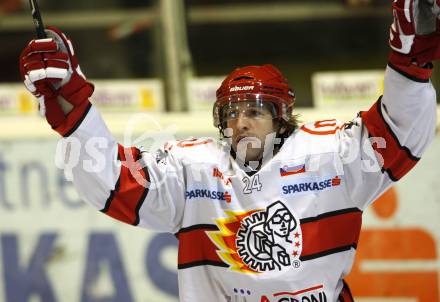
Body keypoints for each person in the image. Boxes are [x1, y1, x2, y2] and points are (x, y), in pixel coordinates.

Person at [18, 0, 439, 301]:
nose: (241, 121)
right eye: (232, 113)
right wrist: (72, 104)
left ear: (282, 117)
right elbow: (111, 181)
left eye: (255, 111)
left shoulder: (333, 155)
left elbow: (401, 133)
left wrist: (409, 62)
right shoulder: (193, 170)